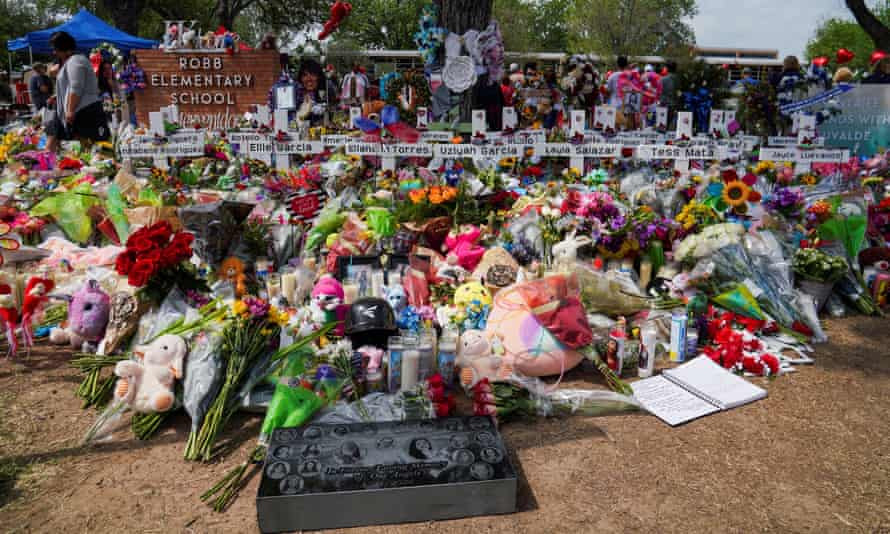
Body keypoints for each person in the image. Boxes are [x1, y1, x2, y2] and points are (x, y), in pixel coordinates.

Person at [45, 31, 108, 152]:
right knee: (53, 136)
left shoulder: (76, 61)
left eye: (56, 49)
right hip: (75, 108)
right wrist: (58, 96)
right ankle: (47, 164)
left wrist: (70, 110)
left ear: (65, 48)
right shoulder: (70, 62)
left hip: (84, 110)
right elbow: (69, 86)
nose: (54, 53)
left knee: (86, 147)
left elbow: (76, 87)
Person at [296, 58, 326, 126]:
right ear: (300, 78)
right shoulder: (296, 93)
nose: (309, 79)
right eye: (305, 75)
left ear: (319, 77)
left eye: (313, 74)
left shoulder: (326, 90)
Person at [97, 60, 121, 126]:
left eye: (109, 68)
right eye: (105, 69)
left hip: (115, 116)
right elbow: (106, 106)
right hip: (104, 118)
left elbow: (119, 103)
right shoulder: (98, 86)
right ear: (101, 72)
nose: (108, 71)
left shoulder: (115, 84)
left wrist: (113, 87)